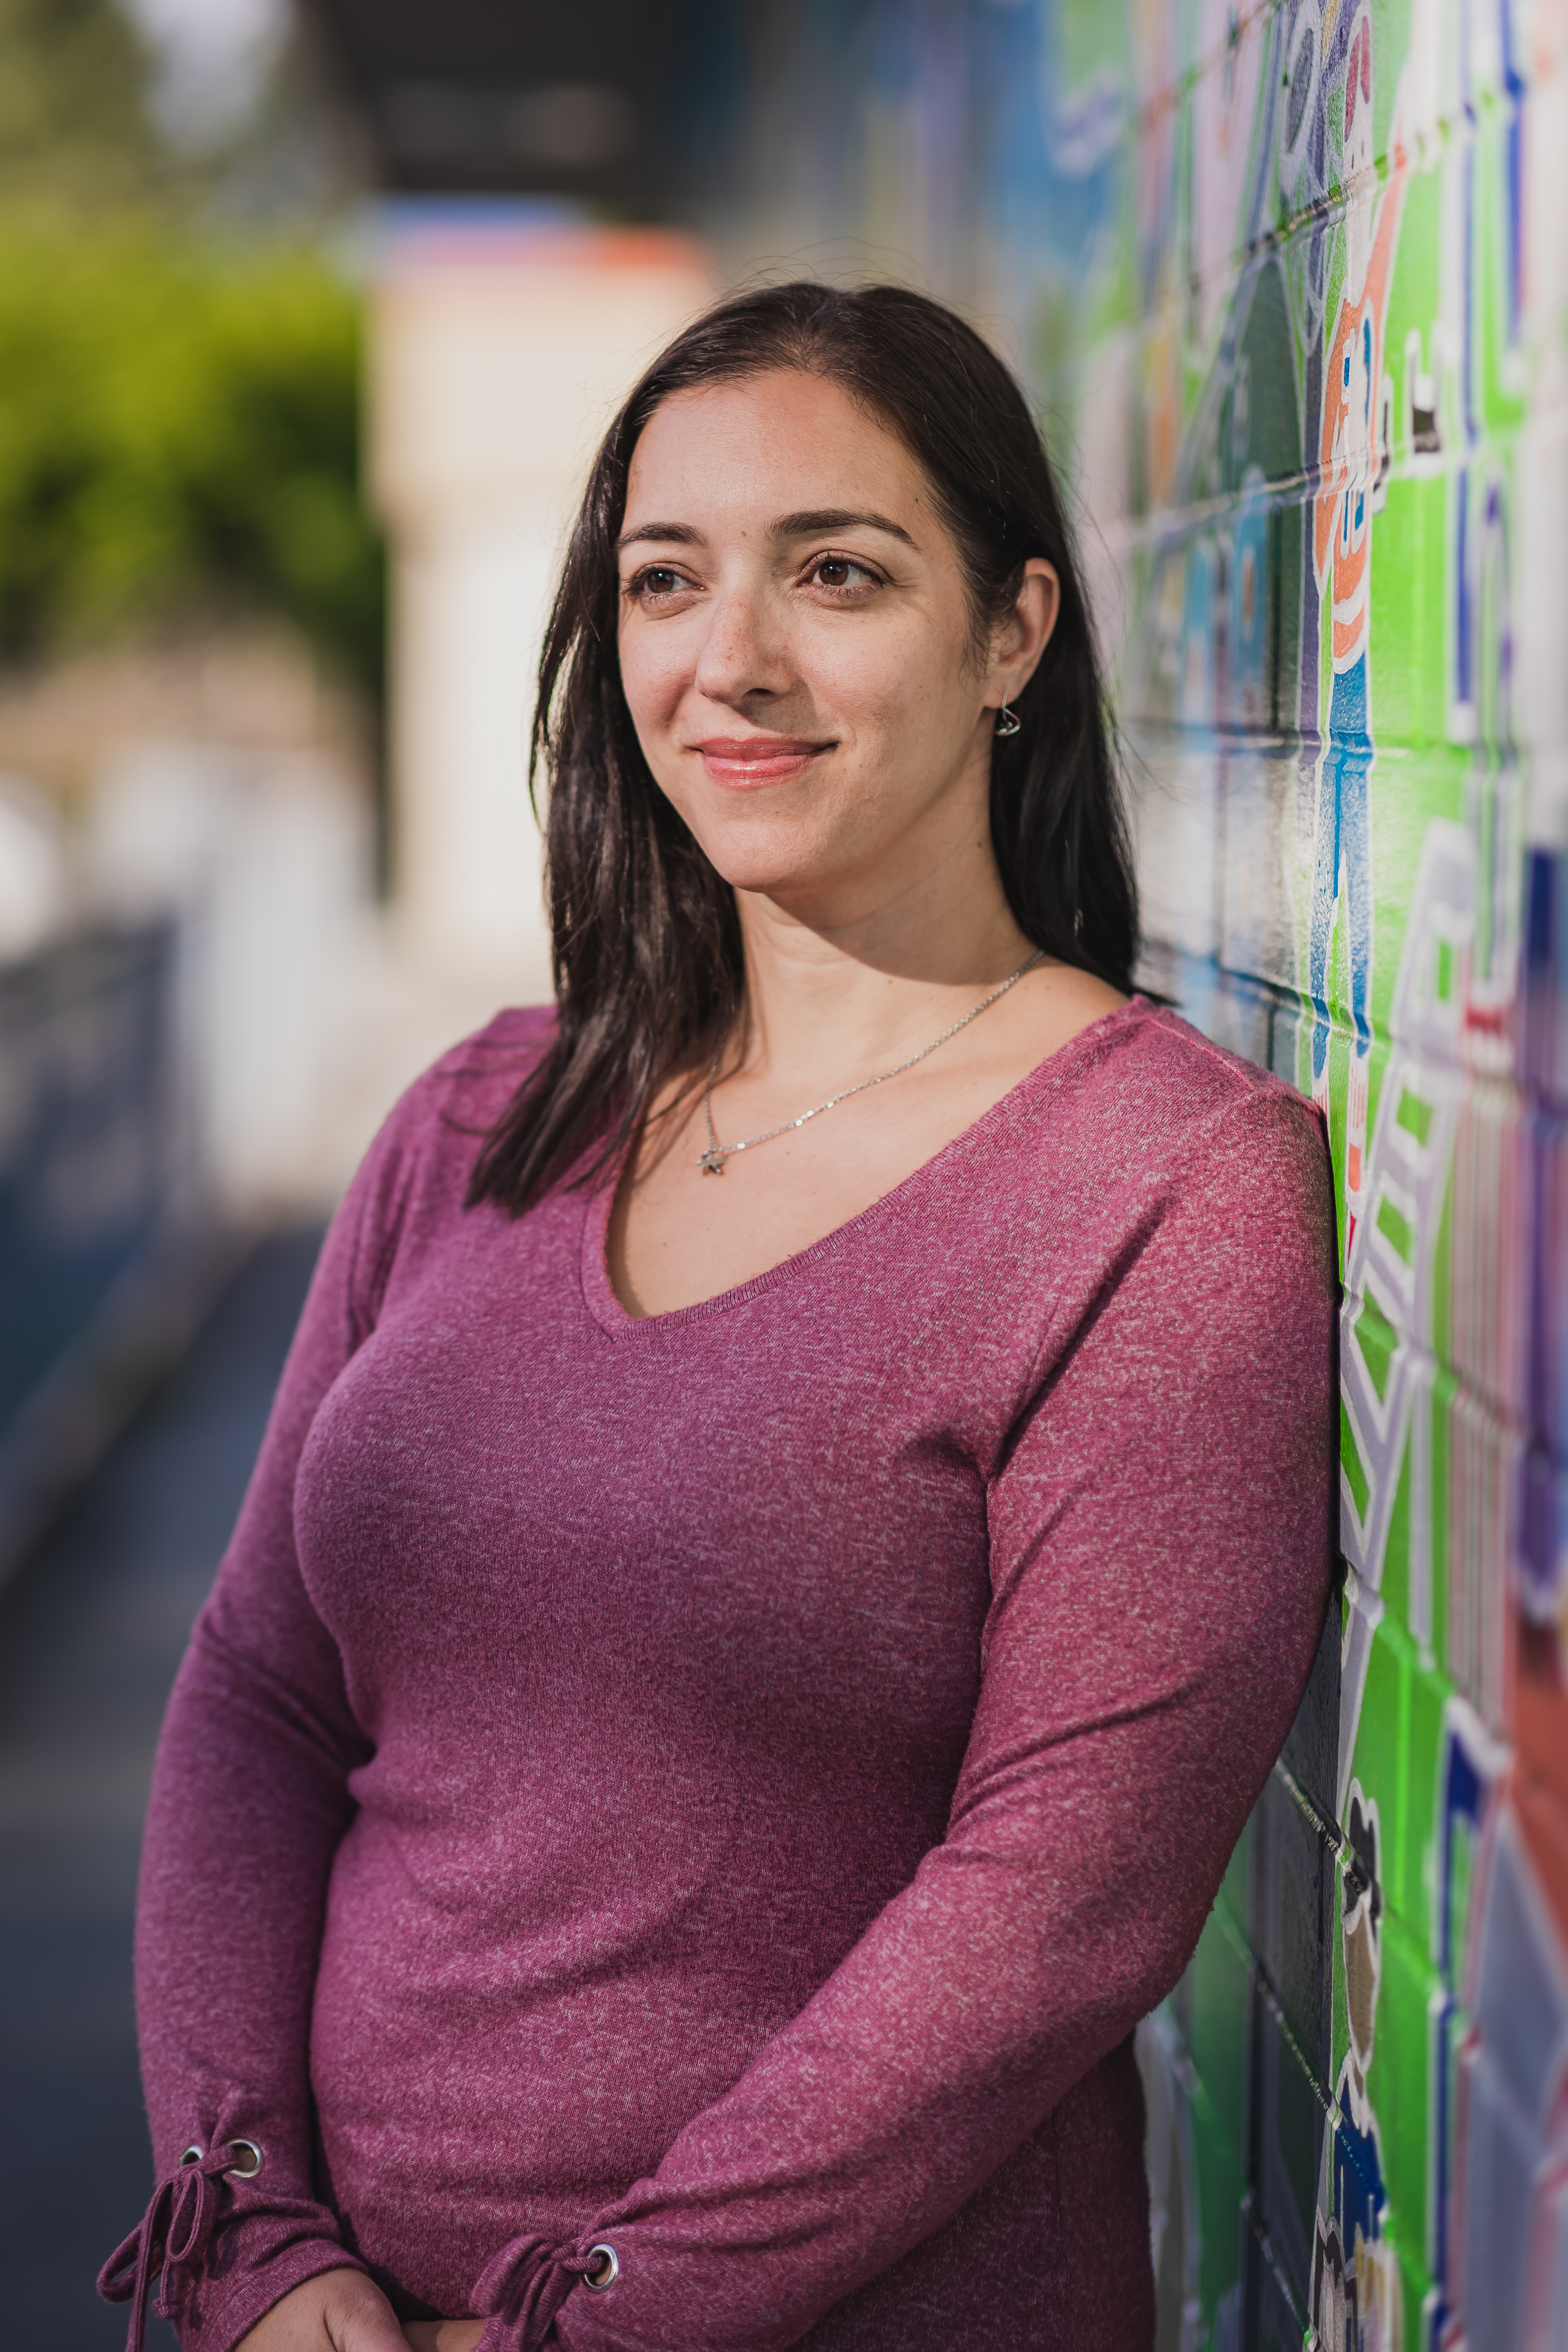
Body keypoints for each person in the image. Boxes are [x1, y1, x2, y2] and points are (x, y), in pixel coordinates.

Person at [101, 282, 1336, 2352]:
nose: (730, 662)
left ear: (1013, 630)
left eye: (836, 574)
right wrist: (251, 2239)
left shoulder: (1168, 1185)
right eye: (666, 581)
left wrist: (590, 2321)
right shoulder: (487, 1113)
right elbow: (259, 1693)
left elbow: (1061, 1904)